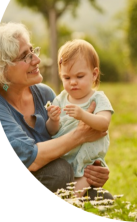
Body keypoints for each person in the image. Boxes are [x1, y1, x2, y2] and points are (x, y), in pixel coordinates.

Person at [0, 22, 112, 199]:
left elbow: (65, 136)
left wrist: (94, 169)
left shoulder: (45, 93)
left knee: (104, 198)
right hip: (52, 176)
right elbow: (29, 157)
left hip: (63, 182)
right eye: (25, 56)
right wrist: (81, 134)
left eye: (33, 51)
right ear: (2, 68)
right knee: (59, 171)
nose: (37, 60)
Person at [46, 39, 113, 197]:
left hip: (87, 163)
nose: (73, 82)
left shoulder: (97, 99)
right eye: (67, 78)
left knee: (73, 196)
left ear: (94, 74)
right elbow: (51, 131)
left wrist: (83, 114)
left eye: (79, 76)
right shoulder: (60, 99)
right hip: (65, 157)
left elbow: (104, 124)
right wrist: (53, 120)